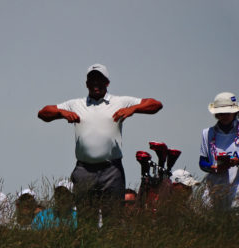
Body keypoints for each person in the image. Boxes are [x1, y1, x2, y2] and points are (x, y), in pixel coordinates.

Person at [38, 63, 162, 226]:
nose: (96, 83)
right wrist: (61, 112)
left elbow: (155, 104)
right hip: (84, 169)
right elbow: (43, 113)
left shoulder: (120, 101)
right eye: (92, 80)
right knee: (86, 219)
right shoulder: (76, 104)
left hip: (111, 169)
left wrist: (133, 109)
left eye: (100, 79)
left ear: (107, 83)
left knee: (114, 218)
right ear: (86, 83)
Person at [200, 92, 239, 209]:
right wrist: (213, 168)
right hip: (213, 190)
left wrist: (236, 161)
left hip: (236, 189)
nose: (224, 116)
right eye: (220, 113)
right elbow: (202, 162)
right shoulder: (207, 133)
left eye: (227, 112)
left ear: (235, 112)